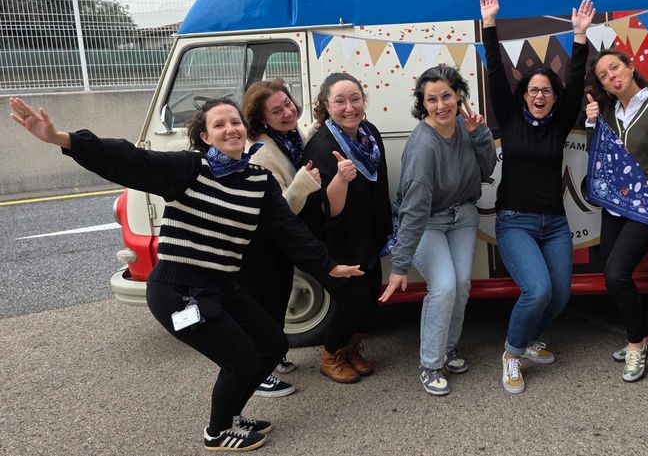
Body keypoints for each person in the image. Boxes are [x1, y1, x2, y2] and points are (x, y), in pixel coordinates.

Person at [8, 97, 362, 451]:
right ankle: (217, 432)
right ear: (205, 137)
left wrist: (328, 265)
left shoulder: (258, 180)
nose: (230, 129)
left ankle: (232, 415)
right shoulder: (190, 168)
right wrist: (63, 139)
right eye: (219, 125)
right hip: (177, 289)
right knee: (240, 360)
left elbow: (288, 229)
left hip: (221, 284)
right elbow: (130, 160)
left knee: (272, 345)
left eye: (235, 122)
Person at [479, 0, 593, 394]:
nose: (540, 95)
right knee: (538, 290)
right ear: (524, 95)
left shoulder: (559, 123)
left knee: (560, 295)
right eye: (533, 90)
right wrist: (489, 24)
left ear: (553, 97)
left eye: (546, 91)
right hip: (515, 221)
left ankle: (526, 339)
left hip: (555, 224)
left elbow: (576, 82)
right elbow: (496, 72)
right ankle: (512, 354)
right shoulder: (510, 119)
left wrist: (580, 36)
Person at [379, 65, 497, 396]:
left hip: (463, 215)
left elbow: (487, 169)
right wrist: (400, 265)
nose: (441, 105)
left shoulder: (464, 125)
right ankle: (430, 364)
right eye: (431, 99)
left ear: (459, 95)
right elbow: (414, 209)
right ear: (423, 104)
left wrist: (479, 134)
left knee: (461, 285)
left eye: (446, 96)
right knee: (443, 286)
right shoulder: (423, 146)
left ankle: (447, 348)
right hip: (427, 221)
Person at [584, 49, 648, 382]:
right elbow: (600, 153)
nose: (611, 76)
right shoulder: (609, 112)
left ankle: (636, 345)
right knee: (610, 274)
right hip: (616, 205)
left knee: (617, 274)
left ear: (630, 67)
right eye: (603, 75)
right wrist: (592, 124)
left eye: (615, 67)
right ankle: (645, 335)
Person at [300, 73, 393, 384]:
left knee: (370, 297)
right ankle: (330, 355)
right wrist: (341, 179)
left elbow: (380, 184)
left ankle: (351, 349)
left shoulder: (369, 133)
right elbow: (326, 210)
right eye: (339, 101)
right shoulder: (321, 147)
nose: (349, 107)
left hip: (369, 236)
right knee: (352, 301)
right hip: (338, 242)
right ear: (327, 106)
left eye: (355, 99)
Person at [238, 80, 325, 397]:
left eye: (288, 103)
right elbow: (278, 209)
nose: (287, 112)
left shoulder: (289, 136)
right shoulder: (260, 154)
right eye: (276, 111)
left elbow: (299, 153)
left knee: (277, 302)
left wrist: (315, 130)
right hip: (261, 245)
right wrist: (303, 182)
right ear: (262, 119)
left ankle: (273, 356)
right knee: (263, 306)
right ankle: (257, 372)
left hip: (279, 243)